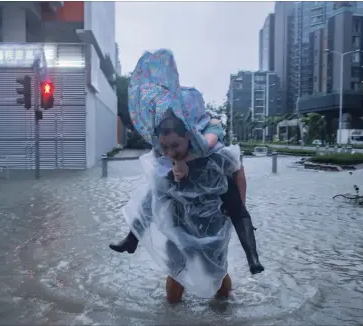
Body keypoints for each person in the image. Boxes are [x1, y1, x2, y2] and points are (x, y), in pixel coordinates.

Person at [110, 88, 264, 275]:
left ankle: (252, 258)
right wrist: (175, 162)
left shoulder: (210, 125)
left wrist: (183, 161)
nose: (170, 151)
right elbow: (160, 168)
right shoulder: (166, 131)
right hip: (181, 214)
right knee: (153, 194)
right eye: (166, 147)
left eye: (175, 146)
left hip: (213, 198)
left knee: (235, 217)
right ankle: (132, 239)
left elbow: (218, 153)